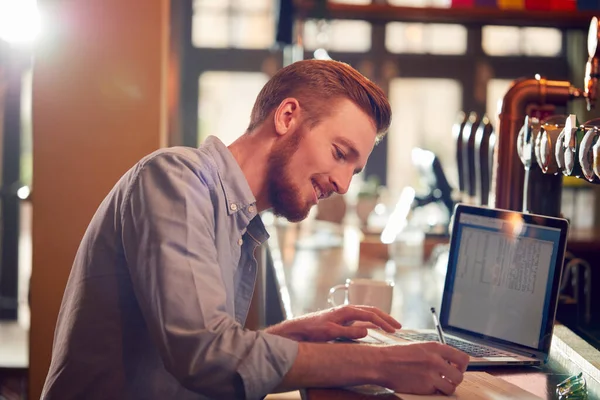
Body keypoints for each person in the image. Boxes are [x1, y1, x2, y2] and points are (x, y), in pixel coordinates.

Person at [42, 59, 469, 400]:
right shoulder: (175, 179)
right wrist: (386, 366)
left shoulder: (239, 220)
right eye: (340, 154)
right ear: (287, 116)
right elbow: (204, 354)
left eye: (353, 169)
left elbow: (200, 349)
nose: (342, 184)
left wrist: (294, 333)